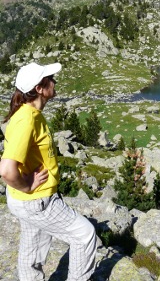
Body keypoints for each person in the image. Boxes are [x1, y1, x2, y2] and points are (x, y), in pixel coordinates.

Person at [0, 62, 97, 281]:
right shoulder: (27, 119)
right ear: (39, 89)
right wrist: (27, 185)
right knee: (85, 235)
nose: (55, 81)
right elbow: (6, 170)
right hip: (36, 199)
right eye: (50, 78)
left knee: (33, 244)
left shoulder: (27, 113)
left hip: (23, 200)